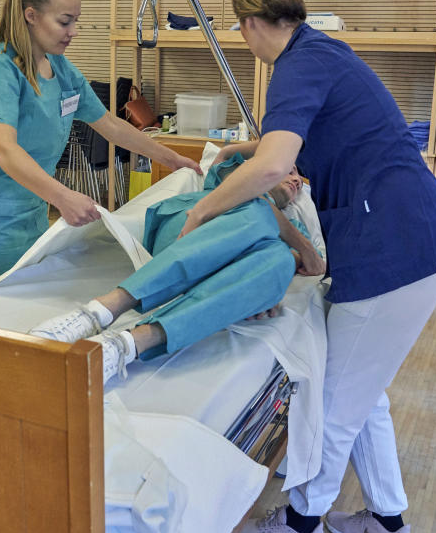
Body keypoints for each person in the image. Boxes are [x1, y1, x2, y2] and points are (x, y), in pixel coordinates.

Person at [177, 0, 436, 533]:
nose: (244, 40)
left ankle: (304, 524)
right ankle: (388, 521)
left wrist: (202, 210)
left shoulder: (295, 66)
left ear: (251, 22)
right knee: (365, 390)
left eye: (240, 29)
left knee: (333, 400)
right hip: (417, 236)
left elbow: (278, 167)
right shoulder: (322, 52)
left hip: (396, 250)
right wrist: (245, 147)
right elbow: (305, 135)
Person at [0, 0, 201, 292]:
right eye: (65, 21)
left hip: (32, 208)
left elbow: (111, 125)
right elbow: (4, 150)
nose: (74, 32)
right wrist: (64, 196)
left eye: (76, 21)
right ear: (31, 15)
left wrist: (171, 159)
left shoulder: (60, 69)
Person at [28, 155, 325, 383]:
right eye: (290, 170)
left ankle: (127, 344)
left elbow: (301, 262)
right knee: (259, 213)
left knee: (280, 261)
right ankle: (100, 311)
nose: (296, 179)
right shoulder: (228, 181)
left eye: (300, 179)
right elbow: (236, 158)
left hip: (232, 267)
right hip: (189, 229)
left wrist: (264, 289)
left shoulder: (294, 227)